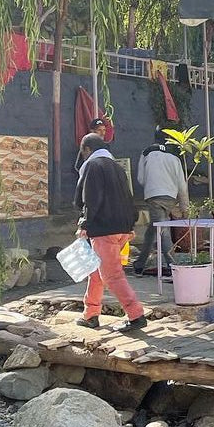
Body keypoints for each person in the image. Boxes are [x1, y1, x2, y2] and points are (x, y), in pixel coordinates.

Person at [74, 132, 146, 332]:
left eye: (83, 152)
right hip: (123, 227)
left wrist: (85, 224)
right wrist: (131, 225)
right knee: (97, 271)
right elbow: (128, 196)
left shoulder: (92, 165)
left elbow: (89, 199)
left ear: (87, 149)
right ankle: (90, 314)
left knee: (112, 275)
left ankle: (136, 315)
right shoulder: (117, 167)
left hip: (104, 229)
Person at [132, 127, 189, 275]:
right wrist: (185, 207)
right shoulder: (174, 155)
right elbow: (182, 185)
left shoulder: (147, 153)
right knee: (154, 229)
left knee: (162, 230)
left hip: (154, 196)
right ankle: (140, 263)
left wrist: (153, 185)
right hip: (171, 197)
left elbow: (141, 178)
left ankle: (173, 266)